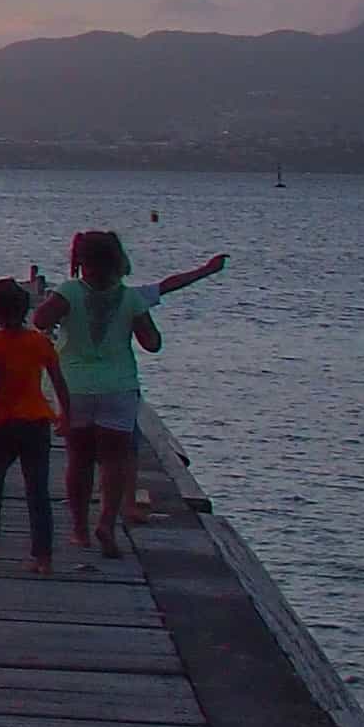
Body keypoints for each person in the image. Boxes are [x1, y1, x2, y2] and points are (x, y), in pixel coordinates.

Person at [33, 234, 230, 566]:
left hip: (75, 387)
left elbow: (40, 320)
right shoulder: (130, 299)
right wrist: (206, 271)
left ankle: (79, 529)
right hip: (118, 388)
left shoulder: (67, 292)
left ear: (81, 260)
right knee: (115, 461)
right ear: (119, 261)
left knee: (78, 459)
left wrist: (60, 327)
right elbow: (152, 342)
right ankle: (107, 524)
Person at [0, 277, 64, 571]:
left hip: (4, 422)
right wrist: (66, 414)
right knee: (38, 490)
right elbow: (58, 381)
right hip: (36, 421)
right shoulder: (40, 341)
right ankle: (43, 556)